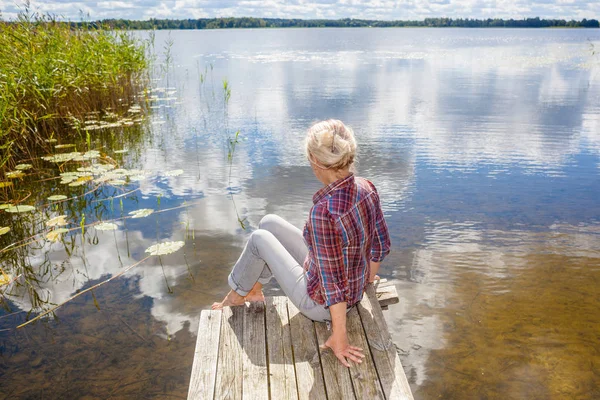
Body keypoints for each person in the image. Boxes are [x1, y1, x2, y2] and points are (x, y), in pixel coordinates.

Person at [212, 119, 391, 368]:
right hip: (347, 287)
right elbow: (380, 243)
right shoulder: (366, 188)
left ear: (315, 161)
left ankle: (236, 296)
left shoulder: (324, 212)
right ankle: (252, 289)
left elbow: (332, 283)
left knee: (258, 239)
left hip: (320, 305)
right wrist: (366, 281)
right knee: (268, 222)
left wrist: (339, 336)